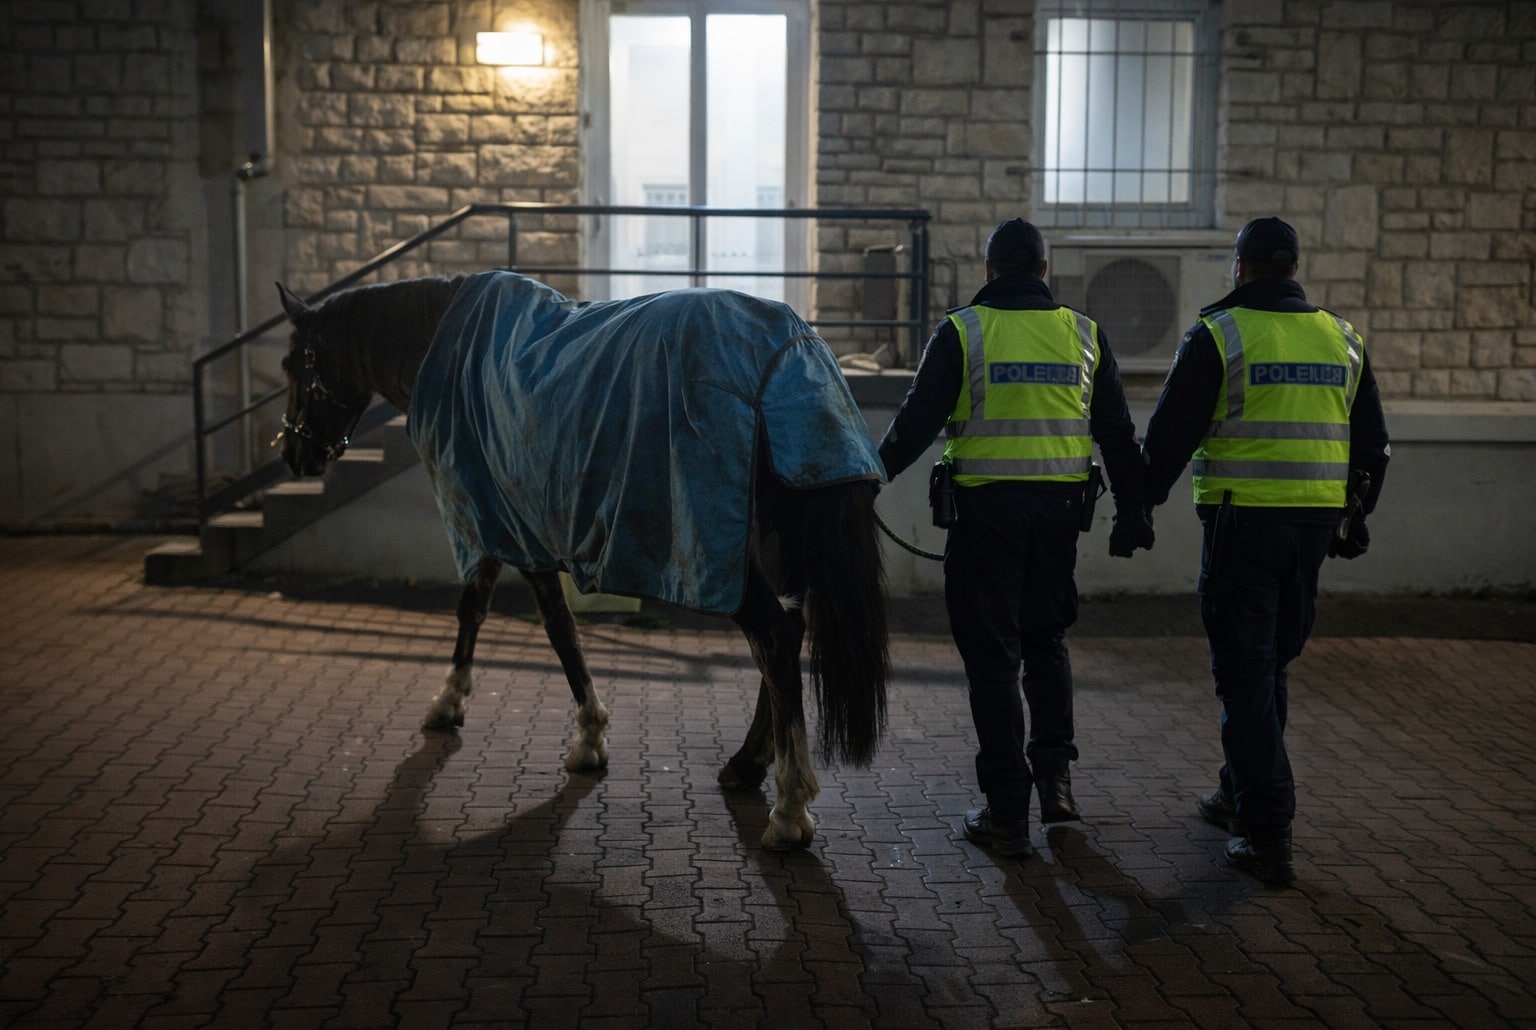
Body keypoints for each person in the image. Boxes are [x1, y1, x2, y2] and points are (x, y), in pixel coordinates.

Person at [877, 216, 1153, 859]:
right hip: (1059, 516)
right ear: (1045, 271)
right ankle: (1056, 786)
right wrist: (1134, 512)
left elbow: (917, 421)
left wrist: (868, 476)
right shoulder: (1084, 335)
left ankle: (1007, 814)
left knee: (994, 660)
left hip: (986, 518)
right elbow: (1117, 431)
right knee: (1046, 641)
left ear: (990, 270)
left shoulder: (964, 331)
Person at [1141, 216, 1390, 885]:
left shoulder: (1220, 334)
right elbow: (1373, 446)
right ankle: (1236, 791)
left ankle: (1267, 828)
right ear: (1294, 266)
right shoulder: (1342, 338)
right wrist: (1355, 517)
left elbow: (1168, 439)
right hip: (1310, 532)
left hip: (1241, 529)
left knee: (1246, 674)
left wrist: (1137, 508)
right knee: (1269, 666)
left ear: (1240, 266)